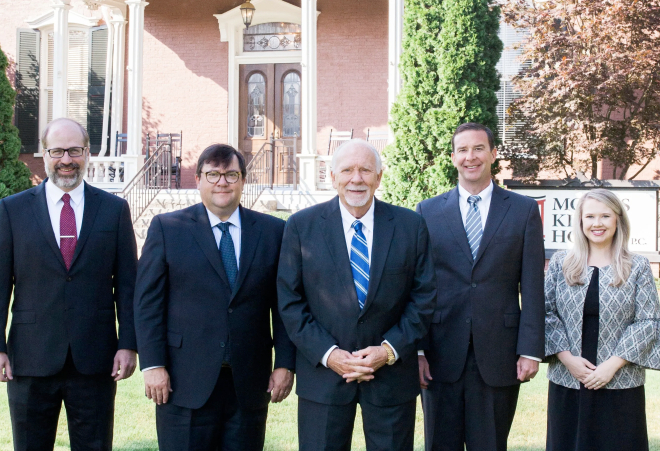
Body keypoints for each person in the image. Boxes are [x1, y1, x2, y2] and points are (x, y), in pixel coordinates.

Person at [134, 143, 296, 451]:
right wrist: (153, 364)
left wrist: (285, 363)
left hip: (249, 381)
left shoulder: (273, 231)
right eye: (213, 174)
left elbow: (284, 304)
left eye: (231, 174)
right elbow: (147, 304)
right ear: (197, 179)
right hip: (183, 382)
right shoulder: (168, 229)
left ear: (243, 180)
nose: (222, 182)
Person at [277, 139, 436, 451]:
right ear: (333, 176)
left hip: (390, 378)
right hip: (323, 377)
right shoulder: (301, 226)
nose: (356, 179)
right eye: (347, 170)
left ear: (379, 177)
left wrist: (388, 351)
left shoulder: (410, 226)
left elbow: (424, 298)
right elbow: (290, 302)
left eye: (365, 170)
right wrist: (329, 354)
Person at [0, 118, 138, 450]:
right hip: (30, 357)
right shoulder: (11, 210)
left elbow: (129, 284)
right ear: (43, 153)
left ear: (87, 153)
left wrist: (128, 343)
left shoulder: (114, 210)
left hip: (95, 358)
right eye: (58, 151)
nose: (66, 160)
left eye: (74, 150)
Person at [416, 123, 546, 451]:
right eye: (462, 150)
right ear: (452, 157)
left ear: (493, 153)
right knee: (439, 444)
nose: (470, 157)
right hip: (440, 354)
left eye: (478, 149)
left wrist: (530, 349)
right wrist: (417, 351)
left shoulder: (523, 211)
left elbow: (532, 284)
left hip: (500, 354)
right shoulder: (427, 212)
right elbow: (418, 286)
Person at [544, 188, 660, 451]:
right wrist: (567, 359)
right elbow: (545, 313)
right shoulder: (562, 263)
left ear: (618, 219)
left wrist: (612, 365)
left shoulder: (637, 266)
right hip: (569, 379)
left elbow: (648, 321)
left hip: (621, 382)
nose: (597, 223)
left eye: (605, 216)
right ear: (581, 221)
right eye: (590, 217)